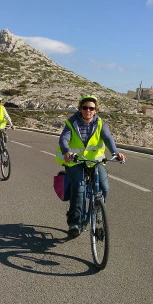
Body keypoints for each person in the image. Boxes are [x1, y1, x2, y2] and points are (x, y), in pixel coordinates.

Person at [55, 94, 127, 238]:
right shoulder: (72, 122)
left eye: (91, 108)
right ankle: (74, 223)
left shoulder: (100, 123)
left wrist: (116, 153)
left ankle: (98, 209)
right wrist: (67, 152)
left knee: (104, 187)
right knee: (80, 189)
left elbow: (108, 139)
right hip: (75, 161)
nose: (88, 110)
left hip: (94, 161)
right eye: (85, 107)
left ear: (95, 110)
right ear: (80, 109)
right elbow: (64, 139)